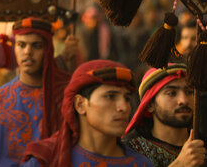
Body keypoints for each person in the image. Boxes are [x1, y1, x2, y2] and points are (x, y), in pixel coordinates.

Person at [0, 18, 74, 167]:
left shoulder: (67, 96)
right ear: (14, 48)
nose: (28, 52)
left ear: (48, 49)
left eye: (36, 46)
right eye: (21, 45)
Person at [22, 60, 153, 167]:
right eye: (110, 96)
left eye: (127, 98)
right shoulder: (44, 161)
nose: (124, 107)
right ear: (80, 104)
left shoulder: (141, 164)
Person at [124, 64, 207, 166]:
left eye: (189, 92)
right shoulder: (130, 150)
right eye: (172, 93)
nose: (184, 100)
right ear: (150, 105)